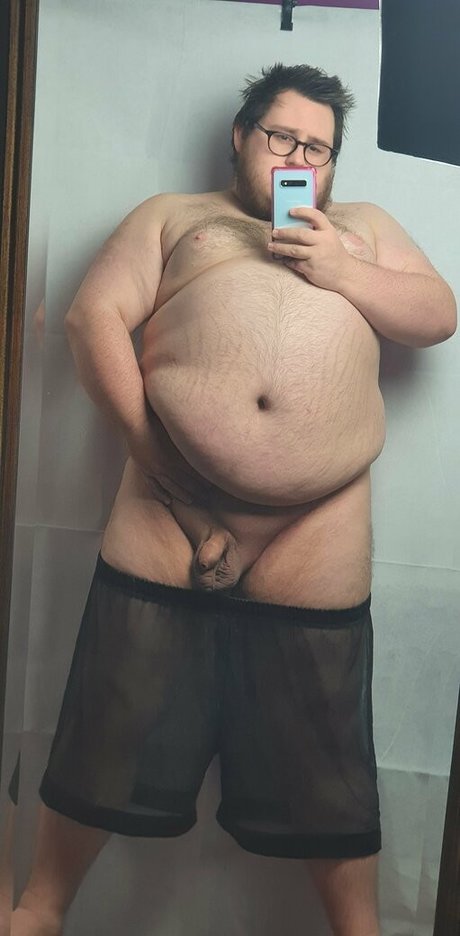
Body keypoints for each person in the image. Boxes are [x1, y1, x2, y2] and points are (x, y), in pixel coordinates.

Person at [11, 63, 456, 936]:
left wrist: (340, 269)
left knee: (327, 749)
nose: (299, 158)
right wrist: (155, 460)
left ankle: (360, 931)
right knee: (112, 717)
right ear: (241, 136)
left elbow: (437, 314)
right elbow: (92, 318)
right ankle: (41, 907)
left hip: (315, 524)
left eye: (318, 149)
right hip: (171, 507)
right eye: (282, 137)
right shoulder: (176, 215)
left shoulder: (362, 229)